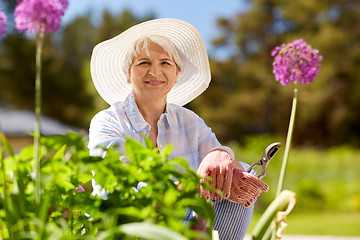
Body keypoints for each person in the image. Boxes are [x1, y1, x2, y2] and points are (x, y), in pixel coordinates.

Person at [88, 18, 268, 240]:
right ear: (128, 74)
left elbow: (220, 161)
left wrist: (221, 155)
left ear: (176, 74)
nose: (155, 71)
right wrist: (193, 185)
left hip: (184, 226)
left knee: (234, 178)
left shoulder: (189, 121)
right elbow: (118, 188)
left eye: (165, 63)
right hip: (124, 227)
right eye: (143, 63)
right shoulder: (107, 121)